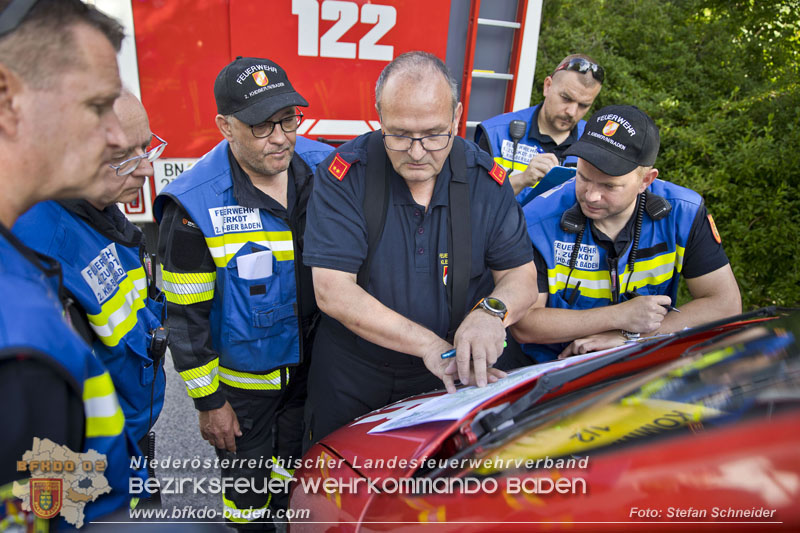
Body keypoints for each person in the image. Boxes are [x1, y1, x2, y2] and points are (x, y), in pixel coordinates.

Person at [303, 51, 538, 444]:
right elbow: (333, 292)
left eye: (432, 135)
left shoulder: (485, 180)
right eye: (399, 135)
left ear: (457, 116)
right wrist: (429, 345)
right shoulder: (344, 176)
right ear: (379, 116)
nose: (416, 152)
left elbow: (521, 277)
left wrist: (491, 313)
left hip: (446, 378)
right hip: (354, 373)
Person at [153, 57, 332, 530]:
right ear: (225, 126)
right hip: (243, 393)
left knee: (294, 485)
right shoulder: (195, 203)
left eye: (288, 119)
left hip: (313, 377)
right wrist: (209, 403)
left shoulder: (323, 166)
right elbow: (185, 320)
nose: (280, 137)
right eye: (260, 125)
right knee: (248, 504)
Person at [0, 0, 140, 526]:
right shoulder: (17, 339)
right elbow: (30, 517)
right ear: (6, 97)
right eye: (98, 106)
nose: (115, 136)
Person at [511, 104, 742, 362]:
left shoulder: (684, 213)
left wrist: (629, 337)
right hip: (545, 367)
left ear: (646, 180)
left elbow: (725, 304)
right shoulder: (536, 219)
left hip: (636, 362)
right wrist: (620, 317)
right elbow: (524, 324)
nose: (591, 195)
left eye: (610, 185)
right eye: (583, 177)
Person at [14, 90, 167, 458]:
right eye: (122, 158)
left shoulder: (97, 208)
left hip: (131, 440)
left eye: (146, 147)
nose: (146, 168)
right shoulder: (40, 254)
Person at [475, 54, 603, 205]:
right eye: (566, 98)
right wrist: (522, 179)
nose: (572, 112)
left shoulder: (594, 141)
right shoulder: (496, 133)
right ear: (547, 86)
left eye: (584, 105)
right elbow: (475, 197)